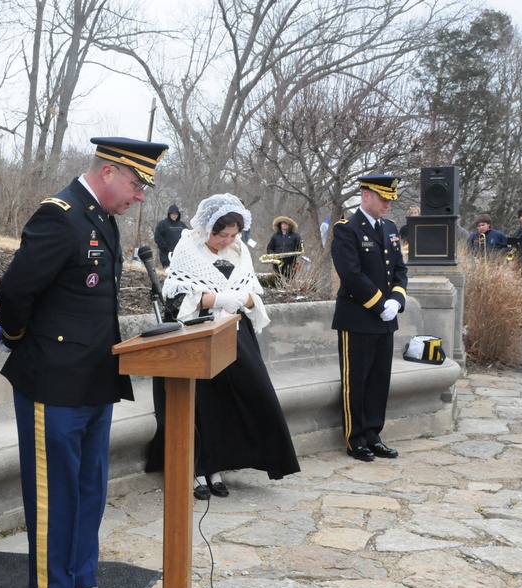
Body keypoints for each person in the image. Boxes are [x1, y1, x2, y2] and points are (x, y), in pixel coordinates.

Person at [0, 136, 168, 588]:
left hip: (95, 375)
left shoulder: (103, 221)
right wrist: (18, 337)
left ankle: (80, 579)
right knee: (55, 490)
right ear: (109, 171)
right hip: (53, 378)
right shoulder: (61, 214)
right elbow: (15, 290)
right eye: (136, 184)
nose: (139, 196)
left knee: (90, 486)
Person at [162, 194, 299, 499]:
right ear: (208, 227)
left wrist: (242, 299)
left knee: (242, 395)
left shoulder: (240, 252)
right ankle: (197, 468)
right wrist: (213, 299)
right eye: (221, 234)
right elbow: (174, 297)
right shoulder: (187, 249)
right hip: (198, 334)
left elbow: (253, 293)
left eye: (233, 235)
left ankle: (219, 465)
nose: (226, 241)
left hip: (235, 332)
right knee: (203, 402)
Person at [330, 174, 407, 462]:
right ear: (366, 197)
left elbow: (400, 269)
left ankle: (374, 434)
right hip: (358, 318)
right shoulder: (347, 229)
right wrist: (379, 305)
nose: (388, 205)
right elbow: (351, 274)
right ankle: (356, 438)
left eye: (390, 200)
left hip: (385, 319)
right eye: (384, 199)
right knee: (357, 380)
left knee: (378, 380)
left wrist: (397, 300)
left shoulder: (389, 228)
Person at [154, 203, 187, 268]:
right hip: (166, 254)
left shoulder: (182, 225)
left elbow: (188, 235)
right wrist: (165, 247)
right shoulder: (162, 224)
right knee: (168, 271)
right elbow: (157, 237)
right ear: (169, 214)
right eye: (173, 214)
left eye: (176, 214)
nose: (174, 216)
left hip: (180, 255)